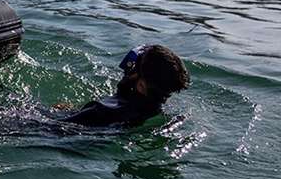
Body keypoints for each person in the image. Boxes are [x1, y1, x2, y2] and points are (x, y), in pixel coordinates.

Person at [60, 44, 190, 127]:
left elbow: (48, 129)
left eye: (136, 65)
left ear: (141, 85)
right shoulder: (158, 115)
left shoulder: (100, 111)